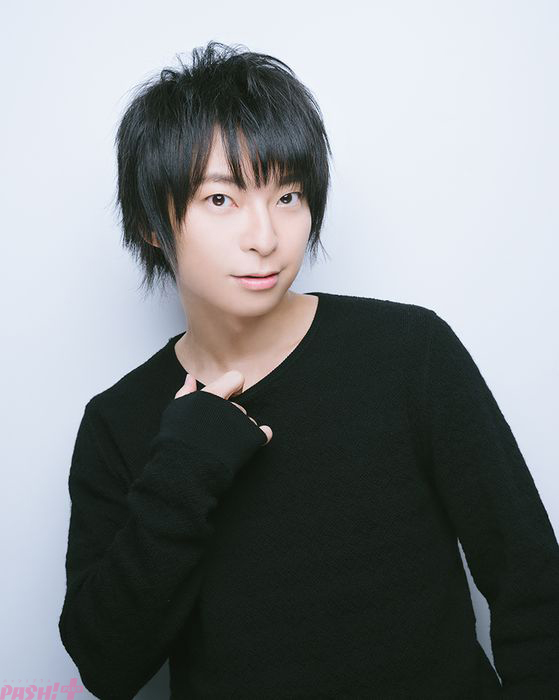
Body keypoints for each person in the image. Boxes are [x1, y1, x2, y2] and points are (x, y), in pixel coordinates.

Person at [58, 41, 559, 699]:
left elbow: (531, 583)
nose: (265, 237)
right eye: (220, 199)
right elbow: (107, 668)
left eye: (288, 195)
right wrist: (183, 466)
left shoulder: (407, 353)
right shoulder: (118, 422)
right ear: (152, 223)